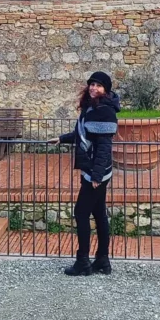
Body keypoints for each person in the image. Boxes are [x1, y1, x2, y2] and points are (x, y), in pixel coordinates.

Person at [53, 71, 119, 276]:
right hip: (93, 172)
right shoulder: (93, 108)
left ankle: (83, 262)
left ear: (106, 90)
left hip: (95, 174)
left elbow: (104, 147)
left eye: (99, 86)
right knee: (99, 214)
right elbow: (83, 134)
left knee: (81, 213)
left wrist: (97, 176)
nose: (94, 88)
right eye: (92, 84)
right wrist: (61, 139)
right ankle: (102, 260)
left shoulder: (105, 111)